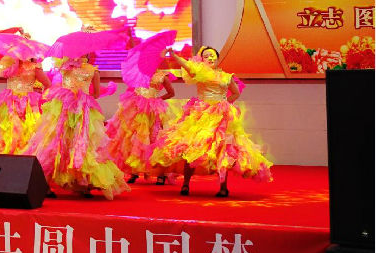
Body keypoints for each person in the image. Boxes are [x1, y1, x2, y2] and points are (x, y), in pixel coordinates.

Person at [150, 46, 273, 197]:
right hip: (201, 115)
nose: (210, 58)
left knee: (223, 150)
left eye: (213, 55)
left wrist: (224, 104)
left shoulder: (226, 76)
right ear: (202, 60)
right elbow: (187, 65)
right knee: (192, 147)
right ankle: (186, 184)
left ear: (218, 58)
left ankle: (223, 187)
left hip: (221, 116)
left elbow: (236, 93)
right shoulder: (199, 72)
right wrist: (174, 55)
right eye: (206, 56)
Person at [22, 54, 128, 199]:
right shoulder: (74, 68)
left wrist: (79, 96)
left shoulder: (78, 69)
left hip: (76, 110)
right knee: (61, 143)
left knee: (76, 144)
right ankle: (54, 184)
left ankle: (78, 184)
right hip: (69, 109)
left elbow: (95, 93)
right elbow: (94, 94)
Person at [106, 69, 176, 184]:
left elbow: (171, 93)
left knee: (154, 139)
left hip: (152, 111)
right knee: (134, 140)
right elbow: (133, 90)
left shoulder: (162, 76)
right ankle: (134, 171)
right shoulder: (138, 73)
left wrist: (156, 100)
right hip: (137, 110)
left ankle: (160, 174)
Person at [0, 55, 50, 155]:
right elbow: (6, 74)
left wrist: (42, 99)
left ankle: (27, 157)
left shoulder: (35, 66)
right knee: (10, 132)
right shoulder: (10, 63)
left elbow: (47, 84)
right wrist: (16, 62)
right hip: (11, 104)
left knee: (28, 131)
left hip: (28, 106)